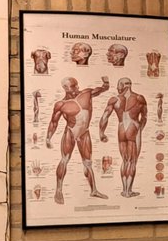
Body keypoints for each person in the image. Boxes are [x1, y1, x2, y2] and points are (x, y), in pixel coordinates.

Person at [46, 76, 110, 204]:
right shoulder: (61, 104)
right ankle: (58, 190)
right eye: (73, 86)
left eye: (76, 85)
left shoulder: (86, 93)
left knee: (88, 163)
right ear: (65, 88)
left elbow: (103, 89)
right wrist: (48, 137)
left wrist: (106, 82)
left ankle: (94, 190)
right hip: (70, 132)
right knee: (64, 160)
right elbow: (54, 122)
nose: (77, 87)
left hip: (84, 133)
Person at [99, 78, 148, 198]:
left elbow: (104, 117)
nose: (117, 88)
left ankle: (124, 190)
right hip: (133, 127)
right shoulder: (139, 98)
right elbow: (144, 117)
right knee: (132, 161)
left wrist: (101, 133)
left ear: (124, 85)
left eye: (118, 85)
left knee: (125, 160)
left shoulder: (114, 100)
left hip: (121, 129)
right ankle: (128, 191)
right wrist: (139, 129)